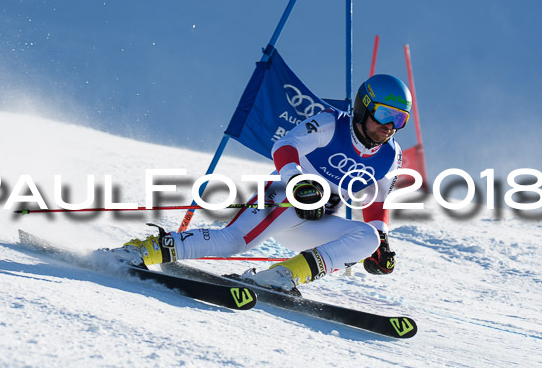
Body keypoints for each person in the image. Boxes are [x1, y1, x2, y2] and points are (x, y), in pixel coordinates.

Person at [119, 74, 412, 293]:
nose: (390, 126)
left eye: (400, 119)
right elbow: (285, 145)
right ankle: (142, 250)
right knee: (233, 241)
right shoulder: (331, 124)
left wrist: (381, 242)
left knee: (367, 238)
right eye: (385, 114)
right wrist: (298, 183)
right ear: (363, 107)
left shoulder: (391, 154)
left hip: (314, 220)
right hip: (283, 199)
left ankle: (280, 276)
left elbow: (376, 199)